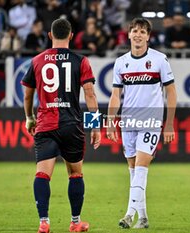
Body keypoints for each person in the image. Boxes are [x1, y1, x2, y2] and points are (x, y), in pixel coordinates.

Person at [21, 18, 101, 233]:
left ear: (49, 35)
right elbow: (90, 93)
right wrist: (95, 127)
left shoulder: (37, 61)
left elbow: (27, 94)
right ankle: (75, 222)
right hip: (71, 125)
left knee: (42, 174)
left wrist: (29, 117)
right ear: (72, 35)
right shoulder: (81, 60)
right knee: (75, 173)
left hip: (46, 124)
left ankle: (44, 222)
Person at [106, 18, 177, 229]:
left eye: (142, 32)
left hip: (151, 121)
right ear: (128, 35)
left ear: (148, 36)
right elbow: (115, 96)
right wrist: (110, 122)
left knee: (141, 167)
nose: (138, 35)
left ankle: (128, 215)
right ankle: (143, 218)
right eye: (134, 31)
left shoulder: (159, 60)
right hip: (128, 121)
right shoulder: (121, 62)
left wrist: (169, 124)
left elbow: (171, 92)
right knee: (133, 171)